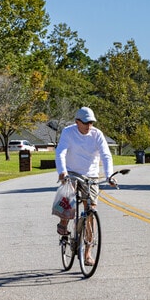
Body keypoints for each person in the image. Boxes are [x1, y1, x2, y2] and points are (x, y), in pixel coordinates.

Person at [55, 106, 115, 265]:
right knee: (68, 196)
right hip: (72, 172)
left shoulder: (97, 134)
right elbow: (60, 152)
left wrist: (109, 175)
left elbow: (106, 155)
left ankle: (87, 254)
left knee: (91, 212)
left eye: (91, 122)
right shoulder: (68, 132)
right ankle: (63, 222)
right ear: (77, 122)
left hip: (92, 175)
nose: (89, 125)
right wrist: (62, 172)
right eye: (86, 122)